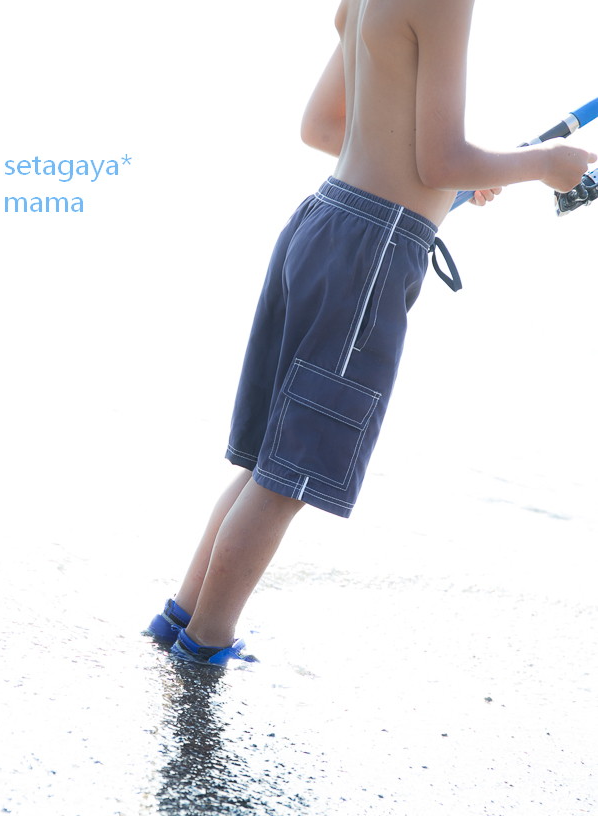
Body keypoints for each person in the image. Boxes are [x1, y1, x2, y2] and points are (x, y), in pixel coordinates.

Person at [144, 0, 596, 665]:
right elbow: (442, 161)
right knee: (289, 475)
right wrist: (546, 163)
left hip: (323, 225)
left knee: (268, 459)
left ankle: (183, 617)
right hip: (371, 251)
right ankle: (206, 644)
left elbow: (324, 127)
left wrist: (469, 171)